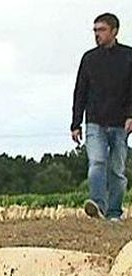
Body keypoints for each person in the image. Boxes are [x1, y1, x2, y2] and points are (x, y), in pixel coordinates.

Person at [71, 13, 132, 221]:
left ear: (114, 31)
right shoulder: (89, 59)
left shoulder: (128, 56)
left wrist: (131, 115)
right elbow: (80, 90)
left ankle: (114, 213)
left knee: (117, 170)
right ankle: (97, 206)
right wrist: (75, 123)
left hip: (120, 122)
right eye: (95, 30)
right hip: (95, 121)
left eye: (102, 30)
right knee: (96, 163)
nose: (97, 34)